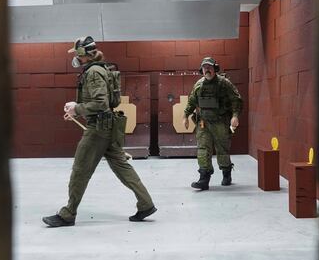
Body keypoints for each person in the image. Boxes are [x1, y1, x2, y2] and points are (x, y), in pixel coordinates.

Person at [42, 36, 157, 227]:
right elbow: (104, 104)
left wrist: (76, 108)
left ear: (82, 54)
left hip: (98, 130)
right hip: (108, 126)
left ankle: (68, 213)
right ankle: (146, 204)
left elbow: (100, 103)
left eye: (77, 54)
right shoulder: (102, 68)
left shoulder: (93, 73)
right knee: (122, 167)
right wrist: (76, 112)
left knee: (80, 170)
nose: (75, 58)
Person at [183, 57, 243, 190]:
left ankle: (226, 172)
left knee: (222, 149)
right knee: (203, 150)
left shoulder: (224, 83)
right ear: (201, 70)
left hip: (220, 122)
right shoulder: (199, 85)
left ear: (215, 68)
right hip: (203, 123)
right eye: (204, 68)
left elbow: (236, 100)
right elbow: (191, 101)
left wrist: (235, 116)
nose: (207, 70)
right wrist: (185, 116)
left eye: (209, 67)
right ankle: (204, 178)